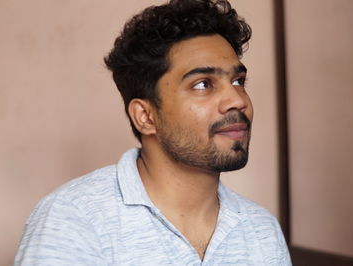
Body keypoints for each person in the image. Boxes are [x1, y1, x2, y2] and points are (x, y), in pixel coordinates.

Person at [15, 0, 291, 265]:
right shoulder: (73, 219)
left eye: (238, 81)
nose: (237, 100)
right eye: (203, 84)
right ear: (146, 117)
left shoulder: (261, 229)